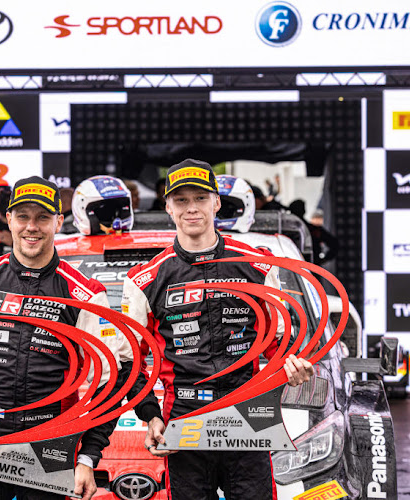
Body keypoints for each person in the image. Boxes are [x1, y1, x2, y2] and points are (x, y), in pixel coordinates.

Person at [0, 176, 159, 500]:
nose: (31, 227)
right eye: (23, 216)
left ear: (58, 222)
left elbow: (110, 380)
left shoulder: (86, 295)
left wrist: (88, 457)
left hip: (50, 448)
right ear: (9, 219)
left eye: (43, 218)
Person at [122, 160, 314, 500]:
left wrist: (293, 366)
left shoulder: (257, 263)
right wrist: (150, 415)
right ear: (168, 207)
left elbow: (280, 344)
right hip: (184, 417)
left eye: (200, 198)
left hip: (248, 410)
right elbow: (130, 360)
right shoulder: (145, 279)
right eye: (181, 200)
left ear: (217, 202)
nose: (191, 208)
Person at [288, 200, 339, 266]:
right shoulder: (313, 229)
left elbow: (334, 244)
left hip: (309, 267)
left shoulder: (313, 230)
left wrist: (322, 260)